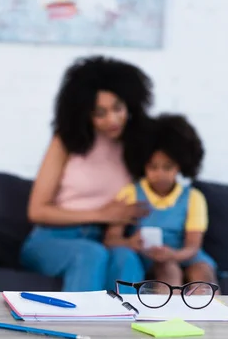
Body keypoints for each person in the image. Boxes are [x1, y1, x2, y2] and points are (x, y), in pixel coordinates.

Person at [19, 55, 154, 292]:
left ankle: (130, 327)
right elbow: (37, 210)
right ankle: (79, 328)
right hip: (53, 239)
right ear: (83, 114)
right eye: (99, 113)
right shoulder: (65, 142)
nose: (112, 119)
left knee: (126, 258)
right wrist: (103, 214)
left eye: (117, 108)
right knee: (90, 254)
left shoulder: (137, 146)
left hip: (104, 240)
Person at [103, 113, 219, 290]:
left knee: (203, 275)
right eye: (153, 167)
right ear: (143, 165)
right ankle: (170, 317)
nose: (160, 174)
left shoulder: (194, 198)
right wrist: (129, 243)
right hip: (152, 259)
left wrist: (173, 254)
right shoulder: (131, 193)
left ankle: (209, 315)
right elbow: (111, 239)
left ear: (179, 166)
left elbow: (193, 247)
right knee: (168, 271)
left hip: (184, 254)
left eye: (168, 167)